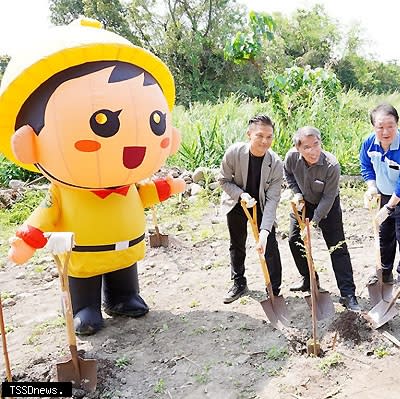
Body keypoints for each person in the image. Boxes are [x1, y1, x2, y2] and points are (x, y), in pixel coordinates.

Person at [2, 19, 186, 335]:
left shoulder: (129, 185)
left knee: (124, 273)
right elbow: (43, 216)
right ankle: (85, 307)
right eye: (102, 123)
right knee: (83, 278)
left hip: (125, 247)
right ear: (28, 143)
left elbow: (144, 193)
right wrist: (27, 240)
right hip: (82, 253)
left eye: (157, 123)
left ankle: (123, 297)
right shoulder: (64, 191)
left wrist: (168, 186)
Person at [285, 126, 361, 312]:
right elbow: (287, 173)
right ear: (298, 149)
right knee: (295, 240)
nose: (313, 151)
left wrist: (313, 222)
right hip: (303, 203)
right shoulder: (292, 157)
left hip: (328, 206)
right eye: (307, 147)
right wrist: (296, 193)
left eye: (316, 145)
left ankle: (348, 294)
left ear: (321, 142)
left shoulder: (331, 165)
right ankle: (309, 279)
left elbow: (328, 198)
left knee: (337, 247)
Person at [359, 103, 400, 290]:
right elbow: (365, 166)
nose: (385, 131)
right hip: (384, 193)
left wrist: (389, 207)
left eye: (390, 126)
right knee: (384, 234)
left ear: (397, 124)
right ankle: (384, 272)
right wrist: (372, 187)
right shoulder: (369, 143)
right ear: (373, 127)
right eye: (380, 127)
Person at [218, 115, 284, 304]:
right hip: (237, 202)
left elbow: (272, 200)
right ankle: (239, 282)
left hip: (262, 203)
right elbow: (223, 180)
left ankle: (274, 288)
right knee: (237, 243)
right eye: (260, 136)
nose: (265, 141)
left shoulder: (276, 164)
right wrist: (241, 195)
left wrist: (263, 232)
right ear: (249, 134)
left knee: (269, 244)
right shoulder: (234, 153)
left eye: (269, 137)